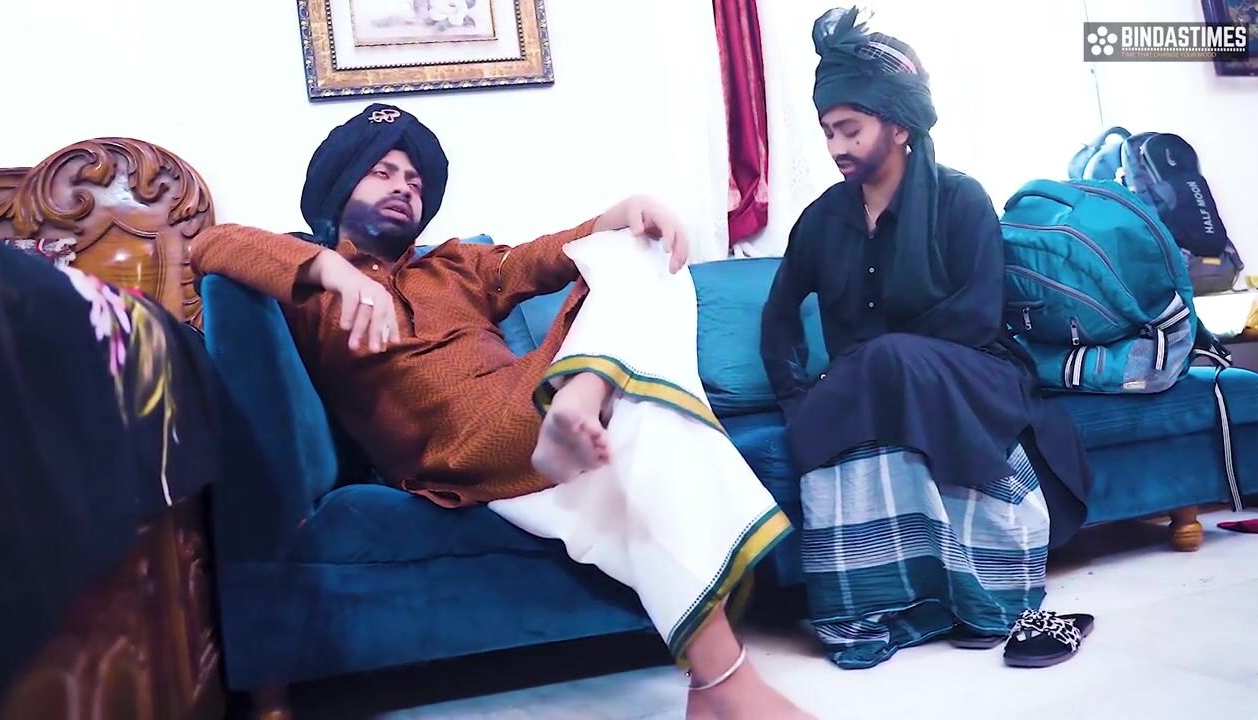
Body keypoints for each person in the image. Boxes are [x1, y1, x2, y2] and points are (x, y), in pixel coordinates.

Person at [190, 104, 810, 719]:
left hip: (526, 399)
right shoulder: (306, 286)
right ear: (338, 184)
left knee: (638, 256)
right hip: (454, 446)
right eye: (383, 173)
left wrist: (627, 212)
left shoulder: (457, 265)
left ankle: (582, 398)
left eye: (415, 181)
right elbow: (212, 245)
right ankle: (723, 683)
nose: (404, 188)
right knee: (651, 422)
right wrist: (333, 270)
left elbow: (552, 254)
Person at [760, 8, 1092, 670]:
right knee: (862, 387)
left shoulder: (960, 199)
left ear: (899, 125)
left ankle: (992, 599)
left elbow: (977, 317)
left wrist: (873, 364)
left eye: (850, 129)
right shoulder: (821, 220)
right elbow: (779, 320)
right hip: (868, 387)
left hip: (975, 374)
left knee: (886, 362)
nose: (836, 146)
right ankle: (890, 604)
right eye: (827, 131)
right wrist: (798, 399)